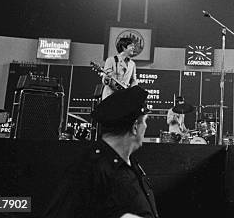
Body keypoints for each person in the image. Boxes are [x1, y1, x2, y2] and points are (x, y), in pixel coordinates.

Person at [44, 86, 158, 218]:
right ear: (134, 127)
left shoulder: (131, 165)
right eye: (144, 122)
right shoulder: (88, 170)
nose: (146, 127)